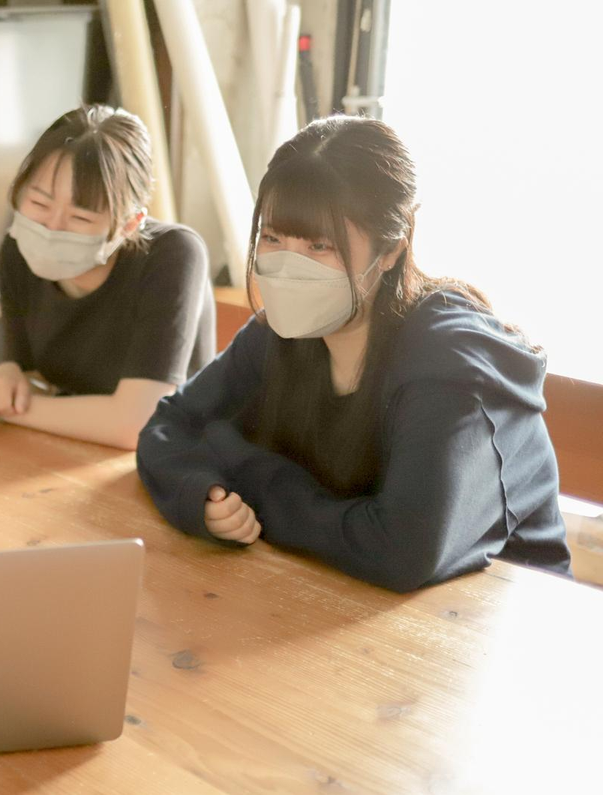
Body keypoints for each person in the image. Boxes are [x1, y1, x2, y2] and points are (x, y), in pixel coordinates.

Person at [136, 116, 571, 592]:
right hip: (330, 592)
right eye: (273, 238)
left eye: (320, 245)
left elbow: (400, 550)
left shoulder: (450, 362)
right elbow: (167, 427)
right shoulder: (281, 331)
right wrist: (205, 495)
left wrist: (245, 470)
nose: (287, 266)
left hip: (495, 612)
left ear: (390, 251)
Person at [0, 104, 215, 450]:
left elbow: (137, 423)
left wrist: (4, 410)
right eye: (39, 204)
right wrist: (6, 378)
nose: (51, 227)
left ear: (129, 224)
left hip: (172, 458)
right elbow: (32, 377)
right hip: (69, 448)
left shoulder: (173, 254)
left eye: (80, 218)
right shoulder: (17, 251)